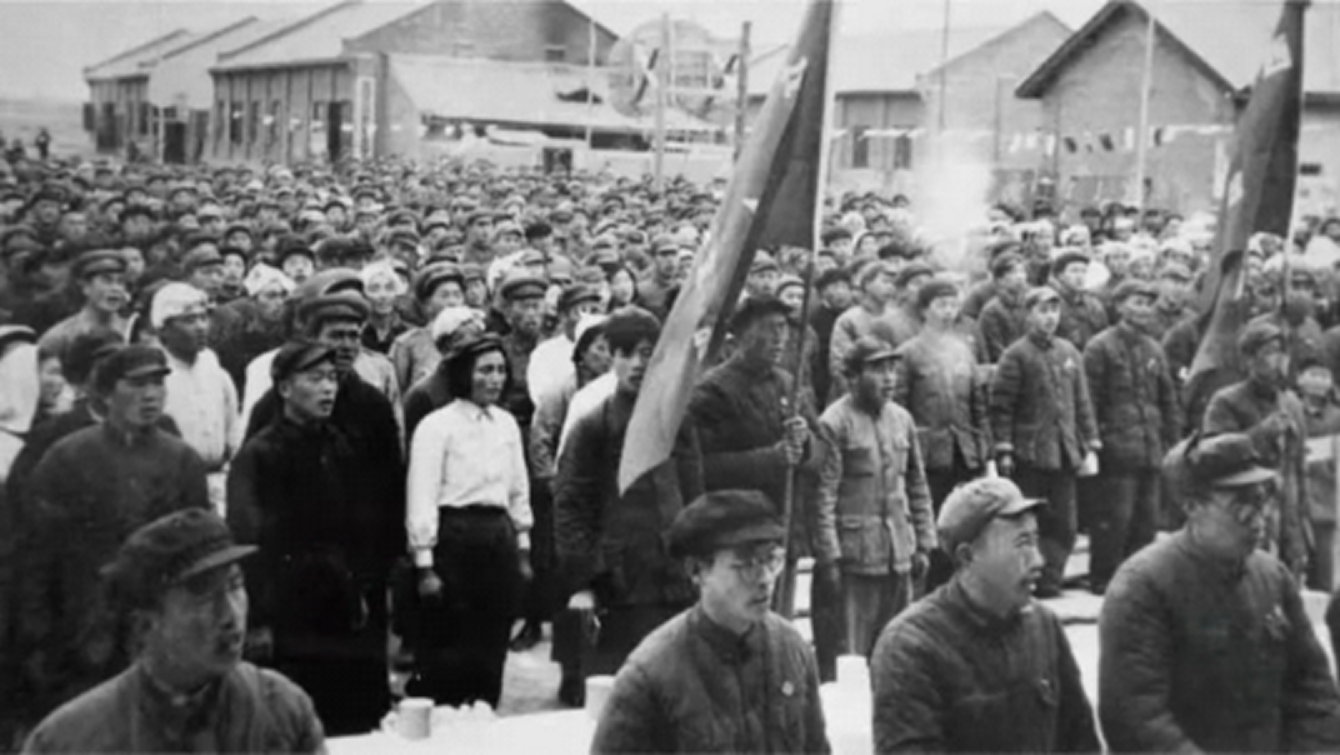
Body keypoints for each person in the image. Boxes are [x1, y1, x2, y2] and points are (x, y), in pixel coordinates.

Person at [1099, 432, 1340, 752]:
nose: (1257, 518)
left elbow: (1312, 690)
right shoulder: (1142, 587)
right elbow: (1137, 718)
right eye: (1240, 503)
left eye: (1261, 499)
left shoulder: (1273, 578)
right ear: (1192, 506)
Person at [21, 509, 324, 753]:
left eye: (235, 585)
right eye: (204, 596)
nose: (230, 615)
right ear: (145, 625)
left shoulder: (281, 709)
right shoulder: (68, 741)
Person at [19, 345, 210, 717]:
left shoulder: (182, 461)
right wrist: (37, 638)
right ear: (106, 394)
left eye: (157, 384)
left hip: (160, 635)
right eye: (137, 385)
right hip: (82, 640)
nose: (151, 395)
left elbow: (200, 556)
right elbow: (35, 557)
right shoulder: (67, 458)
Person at [227, 341, 400, 735]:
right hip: (289, 611)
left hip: (343, 604)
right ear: (285, 388)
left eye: (332, 379)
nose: (328, 389)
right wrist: (258, 621)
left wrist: (363, 588)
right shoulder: (259, 456)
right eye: (315, 379)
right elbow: (248, 543)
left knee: (354, 719)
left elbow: (364, 528)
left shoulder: (341, 446)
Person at [870, 477, 1099, 753]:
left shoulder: (1042, 625)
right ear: (967, 557)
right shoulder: (911, 647)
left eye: (1035, 540)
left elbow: (1080, 742)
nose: (1038, 560)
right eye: (1022, 543)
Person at [591, 490, 830, 754]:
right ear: (697, 570)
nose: (764, 579)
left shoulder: (791, 649)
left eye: (771, 560)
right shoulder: (652, 674)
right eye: (745, 565)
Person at [554, 307, 703, 704]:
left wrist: (699, 560)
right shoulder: (594, 427)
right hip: (618, 583)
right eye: (626, 353)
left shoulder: (678, 423)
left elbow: (695, 496)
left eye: (648, 354)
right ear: (612, 358)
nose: (637, 364)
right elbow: (571, 509)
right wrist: (583, 583)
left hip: (674, 578)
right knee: (623, 693)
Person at [404, 332, 532, 707]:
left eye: (500, 371)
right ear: (464, 375)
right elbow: (422, 495)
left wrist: (523, 550)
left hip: (499, 538)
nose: (494, 379)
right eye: (485, 371)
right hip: (454, 540)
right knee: (450, 643)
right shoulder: (437, 426)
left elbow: (518, 489)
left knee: (492, 640)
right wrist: (425, 566)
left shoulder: (506, 424)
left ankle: (484, 712)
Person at [688, 295, 817, 612]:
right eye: (768, 329)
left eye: (783, 329)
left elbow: (818, 453)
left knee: (779, 617)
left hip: (783, 524)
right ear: (741, 336)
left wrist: (804, 442)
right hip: (737, 531)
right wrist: (772, 459)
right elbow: (701, 467)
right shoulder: (714, 391)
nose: (779, 338)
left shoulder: (787, 383)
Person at [814, 337, 935, 660]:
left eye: (892, 369)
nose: (889, 378)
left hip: (899, 554)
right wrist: (830, 558)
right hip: (855, 560)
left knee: (896, 651)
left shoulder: (902, 419)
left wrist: (924, 542)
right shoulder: (834, 423)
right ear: (853, 377)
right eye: (878, 370)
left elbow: (917, 485)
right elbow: (823, 496)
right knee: (850, 656)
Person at [990, 286, 1100, 597]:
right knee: (1031, 522)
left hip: (1064, 451)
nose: (1050, 318)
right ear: (1028, 315)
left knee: (1065, 523)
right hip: (1030, 454)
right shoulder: (1016, 355)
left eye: (1054, 311)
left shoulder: (1069, 352)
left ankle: (1051, 579)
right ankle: (1029, 580)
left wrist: (1090, 442)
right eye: (1043, 311)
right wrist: (1004, 448)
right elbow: (1002, 407)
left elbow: (1082, 402)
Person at [1082, 279, 1179, 593]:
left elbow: (1167, 399)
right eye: (1137, 302)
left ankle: (1138, 581)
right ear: (1120, 306)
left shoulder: (1154, 349)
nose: (1144, 310)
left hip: (1149, 447)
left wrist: (1173, 441)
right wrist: (1093, 440)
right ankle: (1104, 579)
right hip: (1116, 449)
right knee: (1114, 519)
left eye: (1148, 304)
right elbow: (1088, 399)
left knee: (1146, 521)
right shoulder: (1100, 347)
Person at [1202, 320, 1310, 574]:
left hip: (1288, 514)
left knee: (1287, 577)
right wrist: (1261, 434)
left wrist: (1303, 521)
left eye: (1282, 352)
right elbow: (1213, 455)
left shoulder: (1292, 403)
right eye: (1269, 352)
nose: (1278, 360)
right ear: (1249, 359)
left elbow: (1299, 465)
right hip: (1247, 511)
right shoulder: (1227, 401)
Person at [154, 283, 239, 510]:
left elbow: (233, 425)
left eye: (203, 318)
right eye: (189, 321)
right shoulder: (154, 373)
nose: (201, 327)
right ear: (164, 329)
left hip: (219, 480)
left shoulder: (214, 368)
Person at [37, 249, 130, 366]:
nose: (115, 288)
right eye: (106, 281)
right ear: (86, 287)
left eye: (120, 282)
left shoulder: (131, 330)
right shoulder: (60, 337)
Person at [389, 262, 466, 392]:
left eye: (457, 295)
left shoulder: (476, 339)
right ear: (427, 303)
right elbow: (396, 392)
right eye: (445, 296)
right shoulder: (407, 344)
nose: (452, 302)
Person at [1050, 248, 1108, 351]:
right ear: (1060, 275)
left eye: (1083, 271)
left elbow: (1104, 336)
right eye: (1074, 271)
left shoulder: (1094, 304)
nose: (1080, 276)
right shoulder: (1052, 303)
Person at [978, 251, 1031, 363]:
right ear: (1000, 280)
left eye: (1022, 271)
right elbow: (996, 350)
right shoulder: (991, 312)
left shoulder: (1033, 303)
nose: (1020, 277)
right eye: (1013, 272)